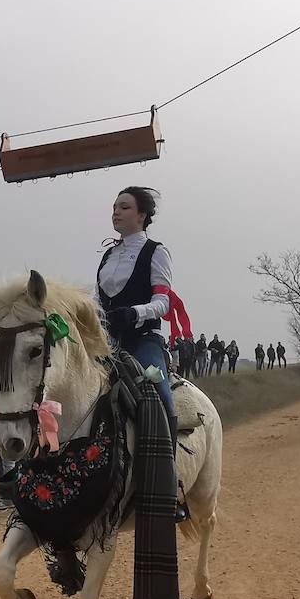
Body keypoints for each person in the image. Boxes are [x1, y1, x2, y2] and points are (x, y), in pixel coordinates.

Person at [96, 186, 181, 440]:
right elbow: (97, 299)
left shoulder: (156, 251)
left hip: (144, 339)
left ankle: (169, 470)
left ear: (141, 215)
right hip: (107, 343)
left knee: (160, 394)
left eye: (124, 207)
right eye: (114, 208)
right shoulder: (109, 255)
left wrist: (135, 313)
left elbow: (163, 302)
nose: (116, 213)